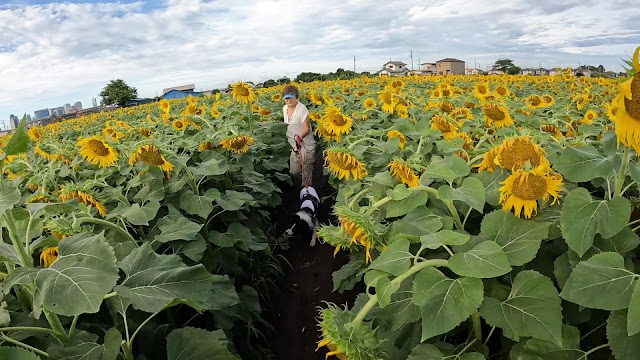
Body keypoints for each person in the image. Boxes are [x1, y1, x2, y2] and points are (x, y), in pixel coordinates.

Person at [282, 84, 315, 187]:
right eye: (286, 98)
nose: (289, 100)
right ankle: (299, 188)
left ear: (296, 97)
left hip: (305, 145)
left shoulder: (302, 109)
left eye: (291, 98)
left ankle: (307, 192)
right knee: (294, 172)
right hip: (293, 146)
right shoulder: (284, 109)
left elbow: (306, 129)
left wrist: (299, 138)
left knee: (306, 173)